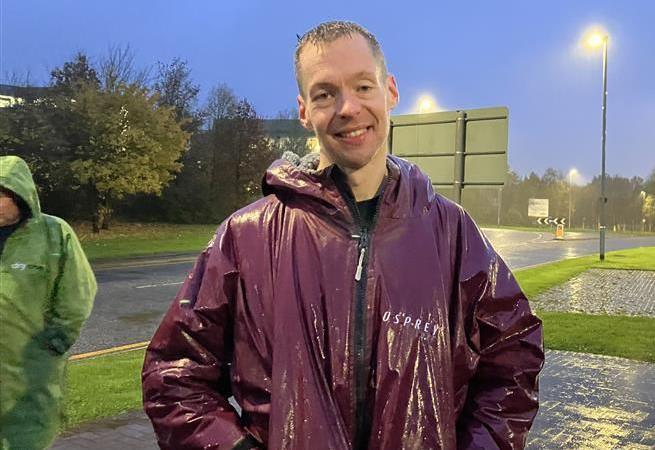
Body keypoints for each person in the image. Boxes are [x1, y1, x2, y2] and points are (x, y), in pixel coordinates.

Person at [142, 21, 544, 450]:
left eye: (363, 86)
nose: (348, 108)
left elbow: (514, 355)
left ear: (390, 91)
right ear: (304, 111)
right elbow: (174, 373)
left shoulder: (451, 232)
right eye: (325, 93)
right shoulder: (247, 237)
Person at [0, 155, 97, 450]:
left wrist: (55, 341)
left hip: (30, 371)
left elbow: (78, 293)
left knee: (25, 439)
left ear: (17, 195)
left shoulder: (54, 234)